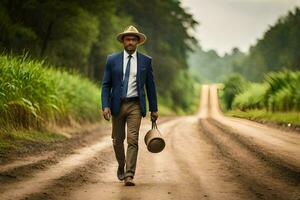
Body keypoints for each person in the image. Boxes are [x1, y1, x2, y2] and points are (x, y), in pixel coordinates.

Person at [101, 25, 158, 186]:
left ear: (138, 42)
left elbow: (150, 86)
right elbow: (106, 84)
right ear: (123, 42)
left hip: (135, 105)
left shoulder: (146, 61)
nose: (130, 42)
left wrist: (154, 109)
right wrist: (105, 105)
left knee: (133, 140)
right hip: (117, 105)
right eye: (128, 39)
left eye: (134, 39)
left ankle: (129, 175)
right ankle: (121, 164)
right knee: (117, 141)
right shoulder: (112, 60)